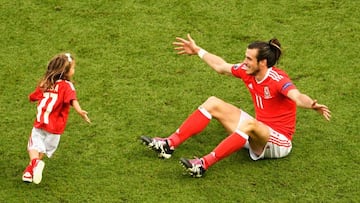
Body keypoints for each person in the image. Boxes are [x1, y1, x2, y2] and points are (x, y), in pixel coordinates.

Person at [140, 34, 331, 178]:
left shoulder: (277, 79)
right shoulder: (248, 71)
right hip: (256, 132)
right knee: (213, 102)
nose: (244, 61)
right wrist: (198, 50)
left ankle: (202, 165)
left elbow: (297, 96)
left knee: (250, 125)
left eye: (249, 58)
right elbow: (221, 66)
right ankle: (168, 145)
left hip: (278, 142)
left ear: (262, 62)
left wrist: (312, 104)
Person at [22, 53, 91, 184]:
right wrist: (80, 111)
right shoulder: (67, 86)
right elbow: (72, 100)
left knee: (33, 146)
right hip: (56, 129)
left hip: (41, 122)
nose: (74, 70)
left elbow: (33, 96)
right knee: (41, 149)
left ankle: (34, 164)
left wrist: (31, 97)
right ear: (66, 72)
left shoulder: (45, 82)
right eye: (73, 68)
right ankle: (30, 170)